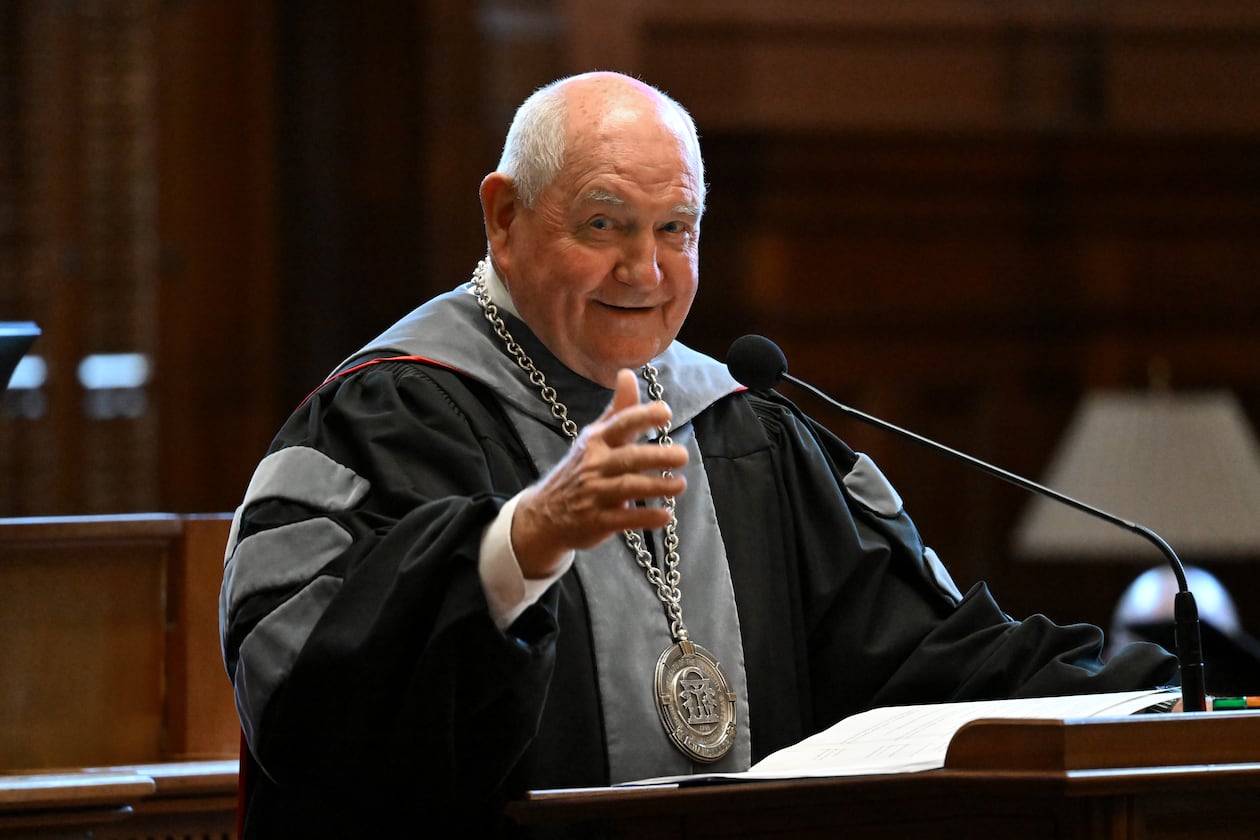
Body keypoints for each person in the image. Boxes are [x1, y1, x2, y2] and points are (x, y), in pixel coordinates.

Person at [219, 71, 1177, 836]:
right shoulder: (385, 417)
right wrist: (521, 544)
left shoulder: (741, 426)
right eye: (604, 225)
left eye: (674, 230)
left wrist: (1179, 691)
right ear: (503, 218)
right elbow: (308, 702)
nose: (645, 271)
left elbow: (927, 658)